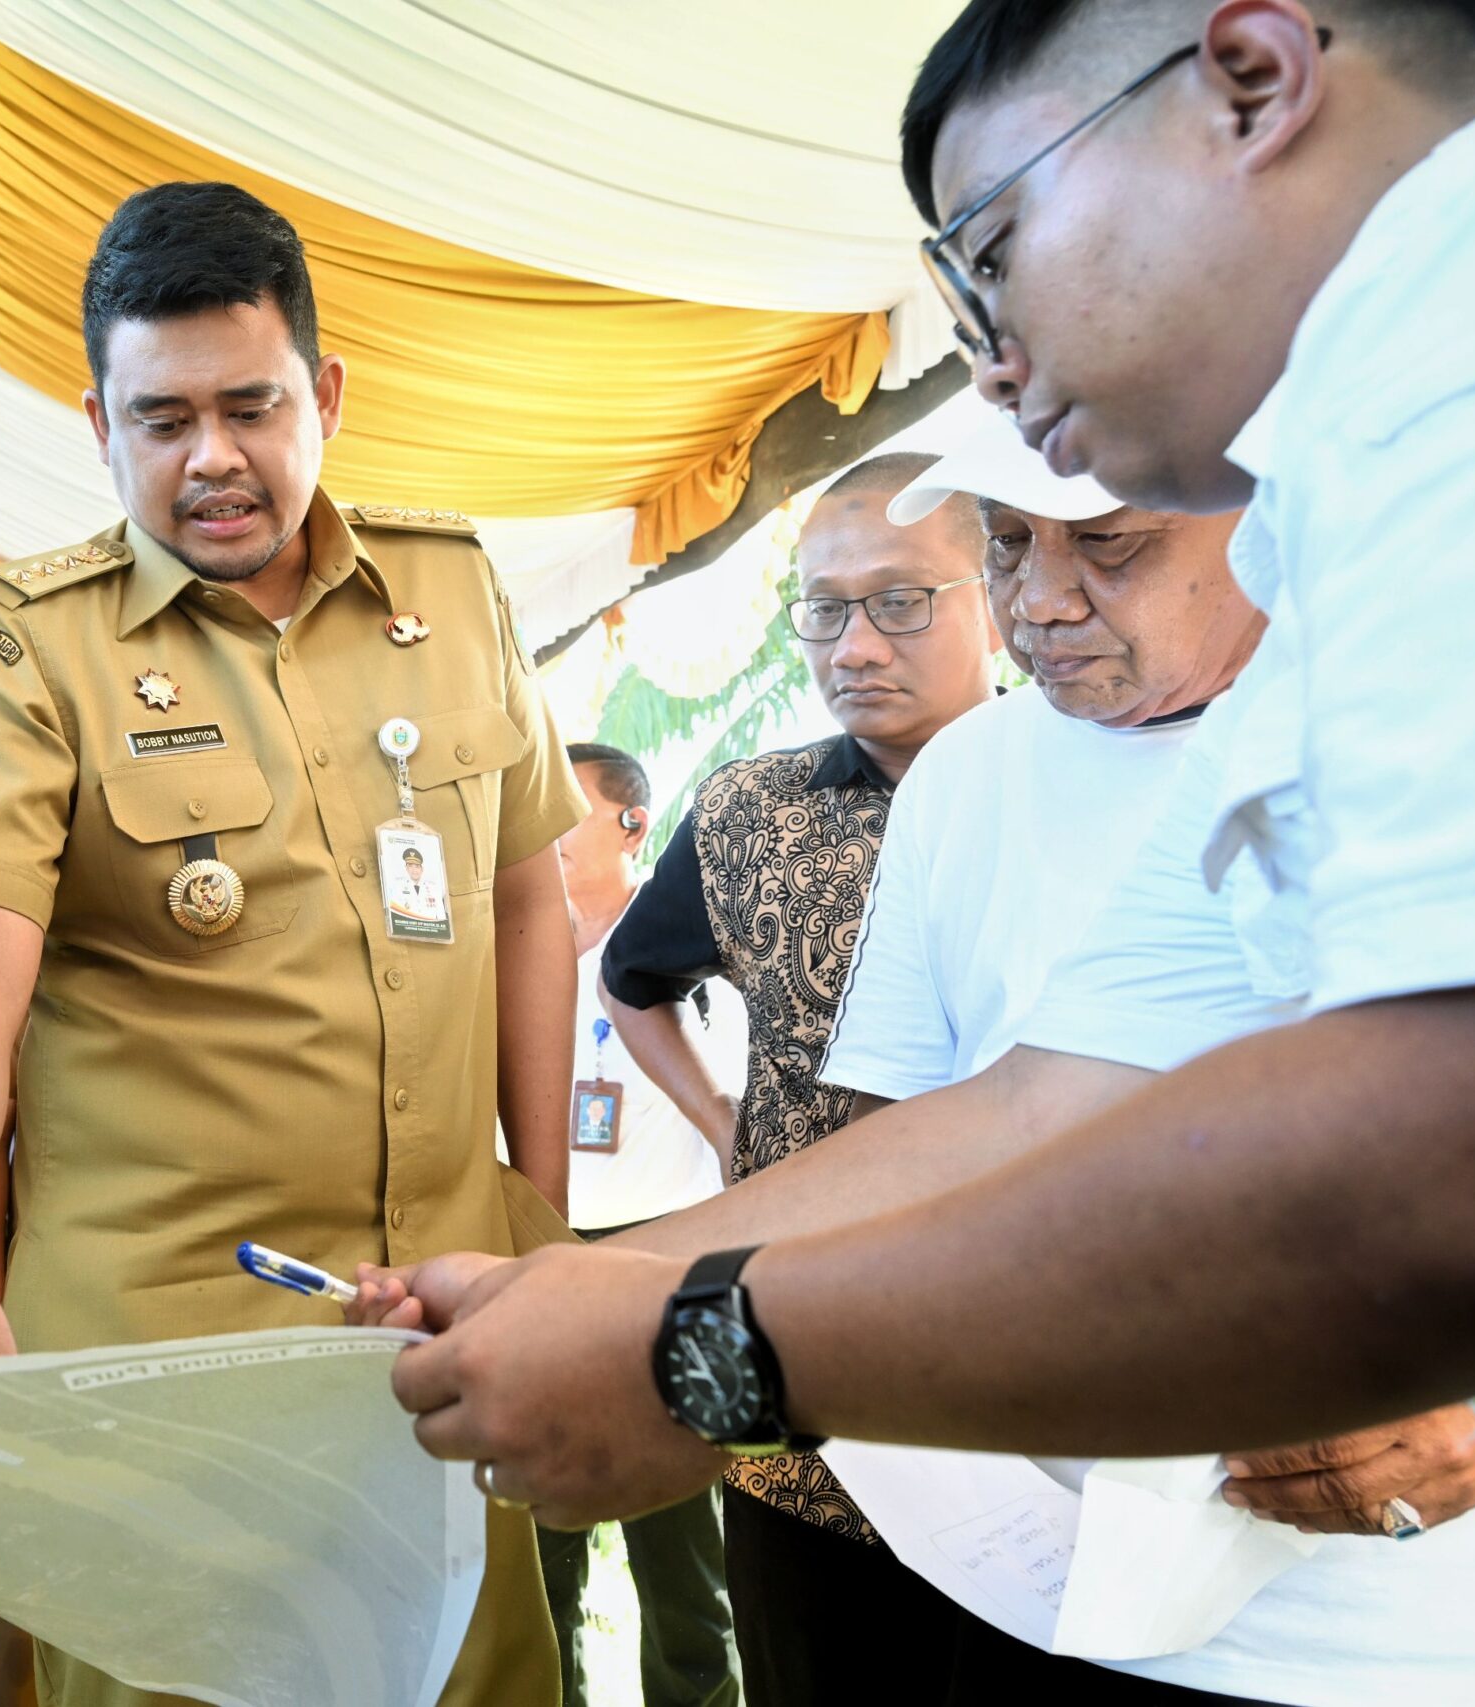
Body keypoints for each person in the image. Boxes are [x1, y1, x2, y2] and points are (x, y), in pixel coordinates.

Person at [366, 0, 1475, 1662]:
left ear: (1251, 78)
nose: (993, 355)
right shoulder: (1364, 508)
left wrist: (706, 1349)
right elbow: (1050, 1096)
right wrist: (596, 1284)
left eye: (993, 254)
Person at [0, 180, 583, 1707]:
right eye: (160, 418)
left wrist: (543, 1218)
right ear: (96, 419)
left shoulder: (452, 591)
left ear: (322, 391)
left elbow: (527, 891)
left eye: (249, 406)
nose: (211, 460)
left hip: (443, 1332)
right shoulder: (30, 641)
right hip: (163, 1375)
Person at [811, 422, 1475, 1702]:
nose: (1041, 600)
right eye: (1006, 548)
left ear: (1266, 520)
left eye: (1109, 546)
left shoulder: (1472, 728)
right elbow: (945, 1129)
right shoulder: (969, 775)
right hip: (1063, 1590)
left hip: (1428, 1639)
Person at [591, 452, 997, 1706]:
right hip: (771, 1327)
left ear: (993, 591)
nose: (853, 644)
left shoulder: (1062, 779)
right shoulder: (746, 810)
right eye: (821, 609)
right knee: (793, 1652)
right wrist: (722, 1121)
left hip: (1010, 1325)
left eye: (899, 600)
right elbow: (629, 978)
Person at [535, 743, 742, 1707]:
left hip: (667, 1263)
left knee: (682, 1554)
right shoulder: (511, 962)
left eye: (563, 807)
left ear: (631, 827)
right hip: (542, 1257)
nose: (539, 829)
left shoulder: (698, 966)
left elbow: (737, 1125)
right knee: (543, 1542)